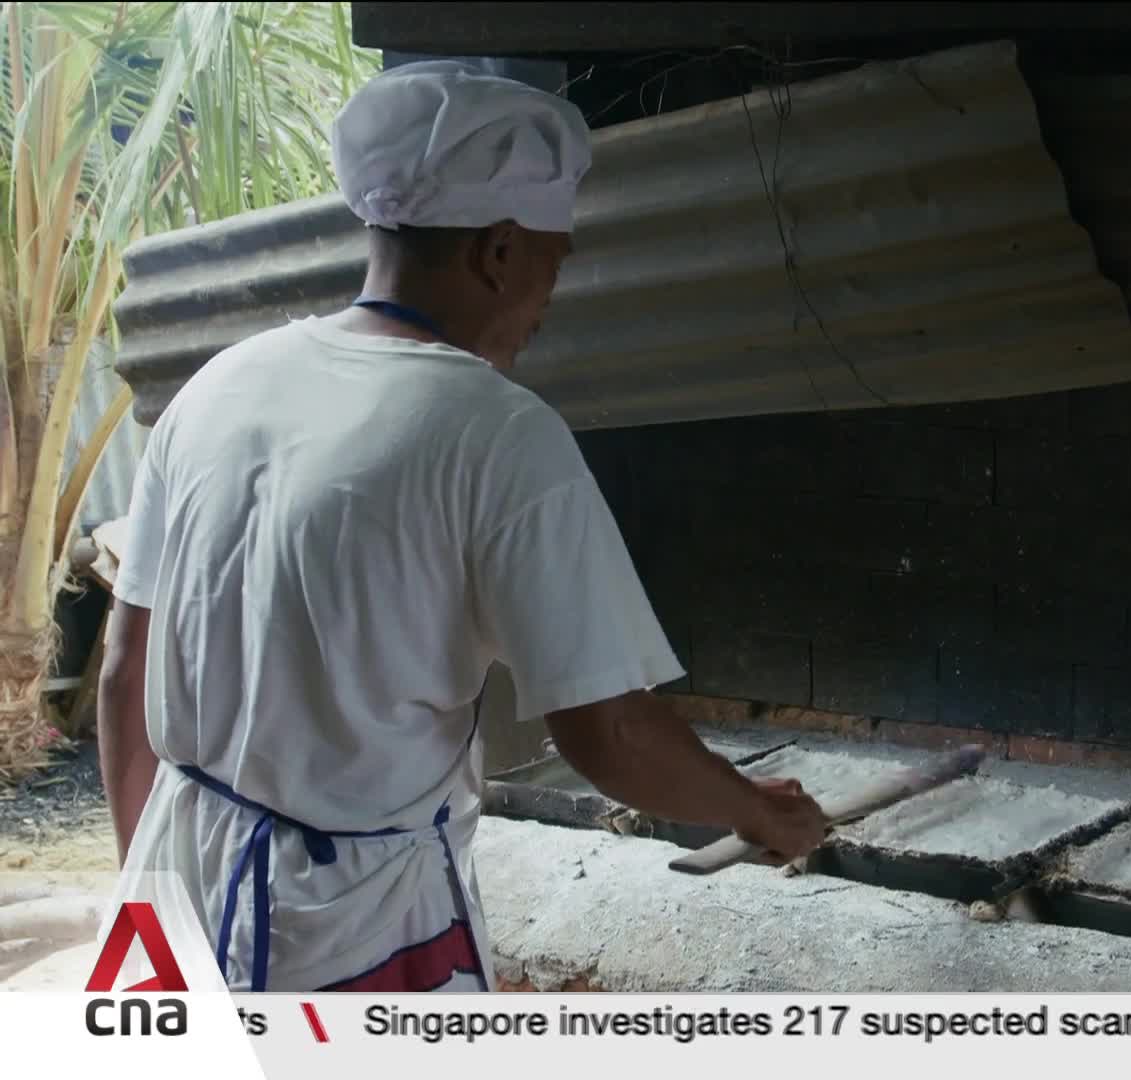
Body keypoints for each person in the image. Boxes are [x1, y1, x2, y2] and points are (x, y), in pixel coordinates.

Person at [94, 60, 828, 994]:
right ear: (499, 250)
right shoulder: (498, 432)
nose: (545, 305)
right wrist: (757, 813)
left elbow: (125, 670)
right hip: (351, 928)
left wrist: (142, 895)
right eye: (552, 266)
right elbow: (610, 732)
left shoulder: (221, 382)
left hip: (178, 876)